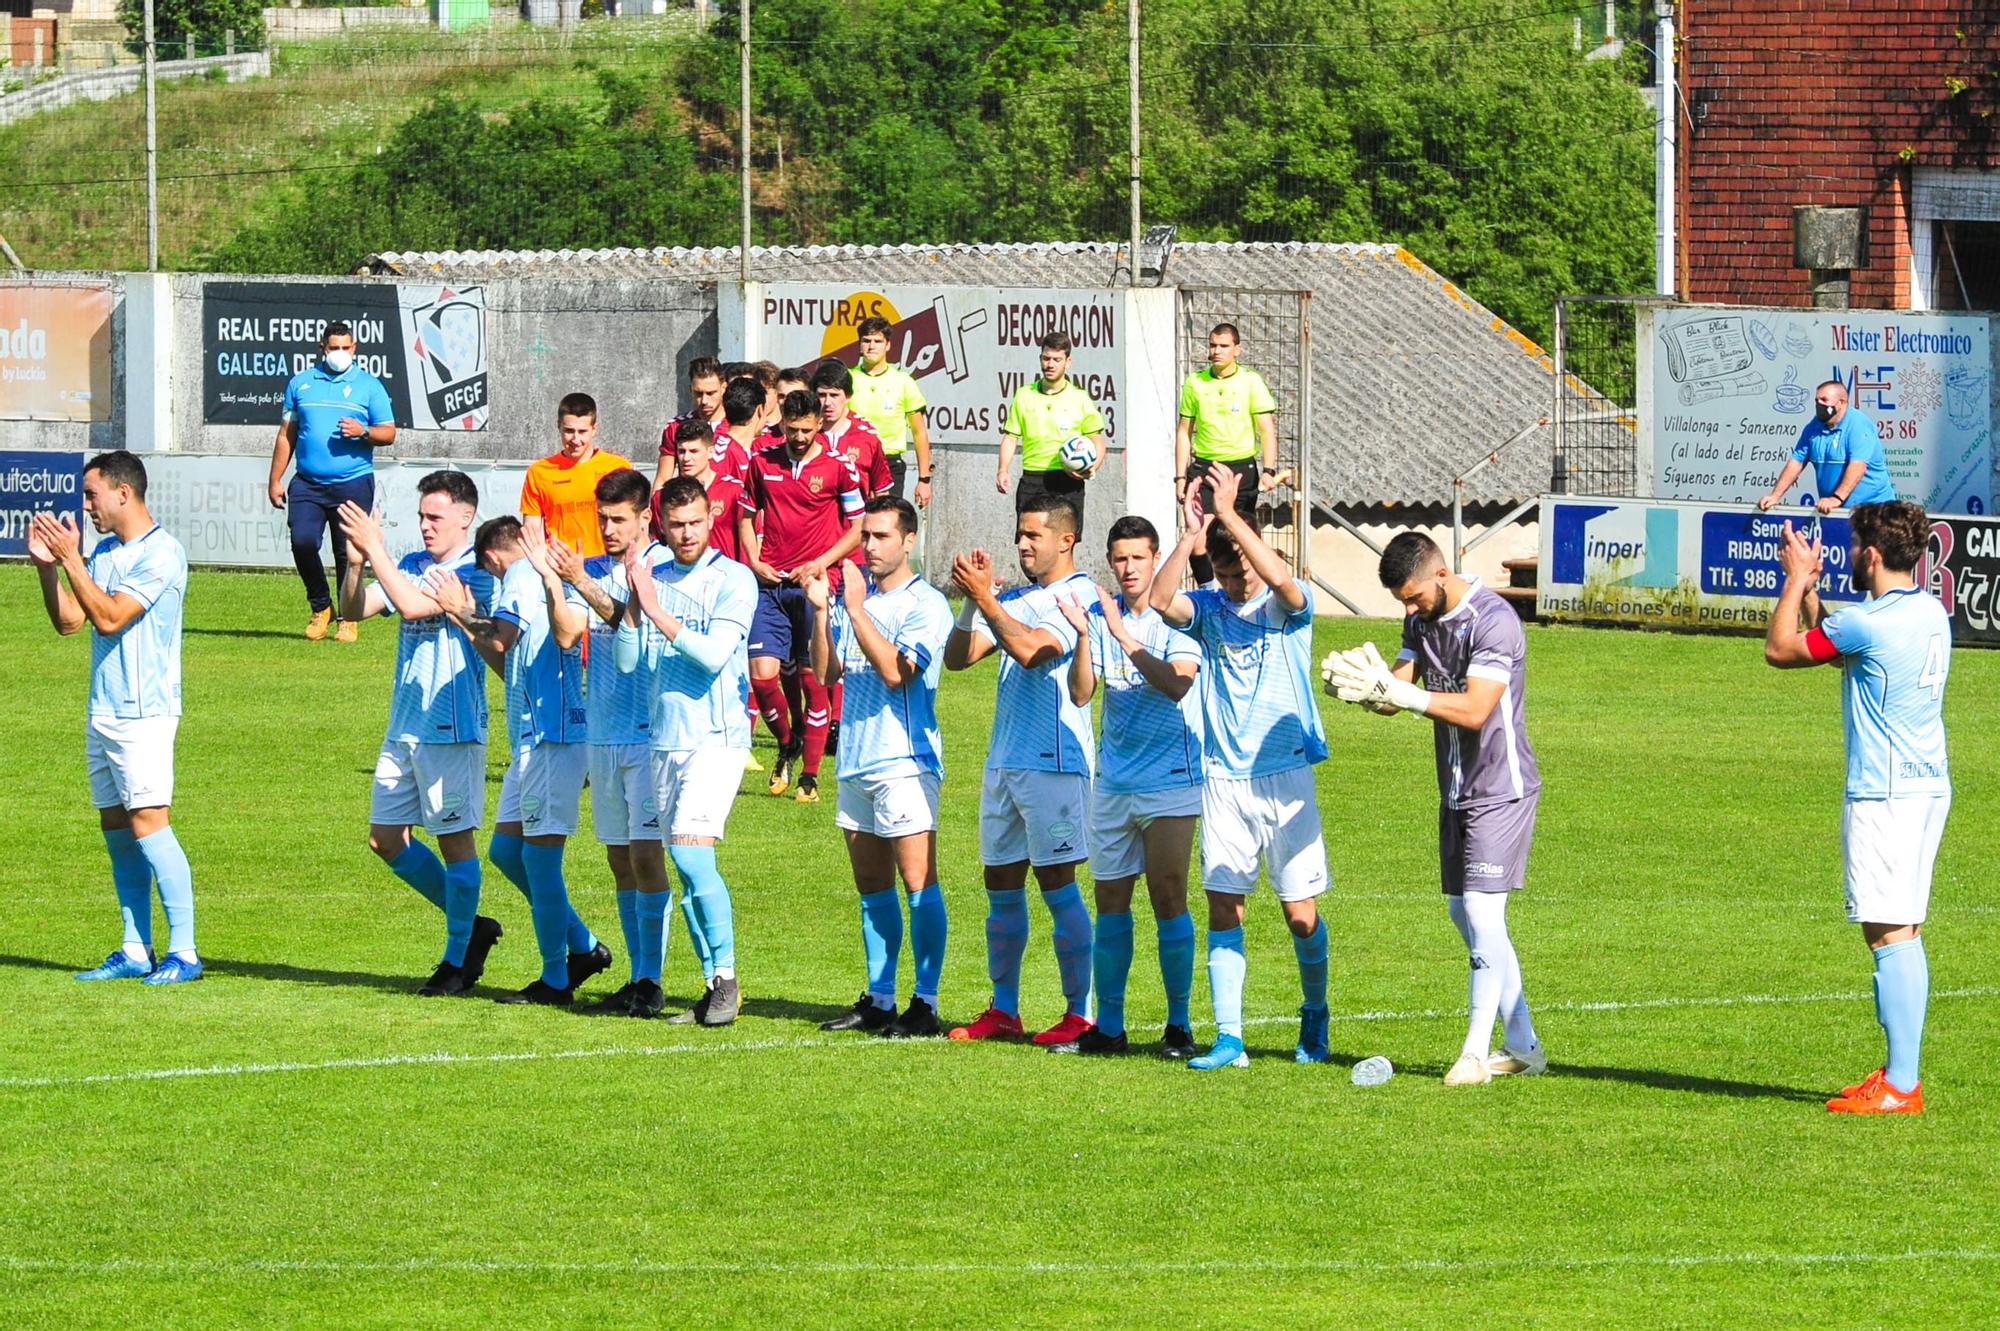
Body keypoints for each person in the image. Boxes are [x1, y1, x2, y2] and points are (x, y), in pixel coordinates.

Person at [1321, 532, 1546, 1085]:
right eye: (1401, 601)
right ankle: (1525, 1046)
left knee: (1481, 914)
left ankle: (1474, 1054)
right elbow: (1396, 694)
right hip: (1454, 787)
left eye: (1414, 596)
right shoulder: (1419, 620)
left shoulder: (1494, 620)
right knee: (1464, 915)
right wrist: (1366, 690)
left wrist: (1403, 696)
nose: (1409, 608)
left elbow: (1473, 710)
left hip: (1501, 786)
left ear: (1440, 575)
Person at [1763, 501, 1951, 1114]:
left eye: (1849, 546)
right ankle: (1899, 1073)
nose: (1844, 554)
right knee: (1906, 928)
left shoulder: (1867, 623)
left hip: (1885, 793)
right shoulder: (1929, 611)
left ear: (1870, 554)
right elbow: (1845, 648)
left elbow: (1781, 650)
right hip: (1927, 788)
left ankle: (1902, 1085)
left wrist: (1795, 580)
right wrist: (1817, 595)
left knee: (1890, 934)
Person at [1149, 464, 1331, 1071]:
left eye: (1241, 572)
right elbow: (1157, 599)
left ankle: (1315, 1013)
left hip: (1285, 772)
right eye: (1224, 574)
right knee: (1224, 906)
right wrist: (1190, 534)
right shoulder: (1210, 607)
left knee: (1300, 917)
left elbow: (1285, 582)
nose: (1232, 583)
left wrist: (1230, 515)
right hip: (1225, 776)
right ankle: (1230, 1038)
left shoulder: (1287, 609)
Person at [31, 451, 202, 986]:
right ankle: (135, 947)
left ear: (123, 493)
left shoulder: (163, 554)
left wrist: (72, 560)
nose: (86, 506)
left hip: (144, 713)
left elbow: (108, 619)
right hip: (102, 709)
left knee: (151, 825)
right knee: (116, 827)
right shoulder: (105, 551)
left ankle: (186, 952)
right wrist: (47, 568)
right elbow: (69, 621)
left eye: (91, 495)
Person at [336, 475, 506, 996]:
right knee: (384, 839)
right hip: (404, 727)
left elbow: (412, 607)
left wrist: (377, 548)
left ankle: (457, 960)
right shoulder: (410, 565)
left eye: (435, 517)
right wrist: (359, 563)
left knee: (455, 843)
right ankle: (472, 925)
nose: (425, 525)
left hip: (450, 729)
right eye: (421, 517)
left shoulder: (474, 576)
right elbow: (352, 610)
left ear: (464, 518)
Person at [431, 517, 608, 1007]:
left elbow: (502, 638)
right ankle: (584, 947)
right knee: (507, 854)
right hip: (536, 740)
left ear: (491, 559)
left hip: (552, 738)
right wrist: (469, 627)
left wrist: (464, 611)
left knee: (539, 859)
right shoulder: (532, 580)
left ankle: (556, 979)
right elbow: (509, 661)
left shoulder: (521, 578)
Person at [943, 492, 1099, 1046]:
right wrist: (971, 602)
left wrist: (988, 600)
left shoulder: (1081, 598)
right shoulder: (1021, 598)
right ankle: (1004, 1009)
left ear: (1066, 538)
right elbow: (957, 658)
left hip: (1053, 764)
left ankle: (1080, 1012)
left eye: (1033, 535)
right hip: (1005, 762)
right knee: (1000, 886)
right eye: (1019, 534)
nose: (1022, 544)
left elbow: (1036, 652)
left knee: (1058, 885)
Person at [1050, 515, 1204, 1058]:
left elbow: (1176, 688)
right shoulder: (1097, 615)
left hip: (1170, 783)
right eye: (1119, 559)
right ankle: (1109, 1028)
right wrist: (1088, 637)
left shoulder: (1178, 622)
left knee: (1167, 895)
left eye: (1139, 557)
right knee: (1110, 900)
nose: (1129, 568)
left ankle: (1178, 1025)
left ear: (1156, 557)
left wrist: (1122, 636)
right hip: (1114, 783)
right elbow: (1080, 694)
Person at [805, 495, 955, 1039]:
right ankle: (880, 997)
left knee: (917, 882)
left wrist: (856, 609)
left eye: (882, 536)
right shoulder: (853, 602)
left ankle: (927, 1001)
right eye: (865, 535)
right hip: (857, 760)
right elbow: (825, 673)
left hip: (905, 761)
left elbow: (896, 673)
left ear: (909, 541)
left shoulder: (927, 605)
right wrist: (825, 613)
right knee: (871, 886)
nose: (869, 546)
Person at [624, 475, 761, 1027]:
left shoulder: (735, 580)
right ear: (662, 525)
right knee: (684, 866)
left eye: (695, 523)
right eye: (676, 525)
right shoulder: (652, 579)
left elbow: (710, 654)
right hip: (665, 738)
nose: (686, 533)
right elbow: (630, 664)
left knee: (689, 852)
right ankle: (711, 987)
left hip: (716, 739)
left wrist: (654, 608)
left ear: (712, 518)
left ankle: (727, 977)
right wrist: (634, 609)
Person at [549, 469, 677, 1019]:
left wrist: (579, 580)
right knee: (619, 859)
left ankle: (651, 978)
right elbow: (563, 633)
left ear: (645, 518)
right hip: (601, 735)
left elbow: (631, 626)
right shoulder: (594, 568)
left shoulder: (659, 572)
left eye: (618, 518)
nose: (607, 527)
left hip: (647, 737)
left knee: (648, 857)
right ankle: (634, 973)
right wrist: (553, 581)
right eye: (601, 517)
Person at [738, 389, 865, 803]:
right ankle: (788, 741)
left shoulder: (838, 468)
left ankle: (809, 775)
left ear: (818, 425)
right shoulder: (762, 463)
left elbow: (857, 527)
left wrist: (820, 563)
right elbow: (745, 515)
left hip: (815, 587)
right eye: (792, 430)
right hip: (770, 586)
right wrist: (755, 561)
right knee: (763, 675)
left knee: (814, 682)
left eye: (806, 430)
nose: (798, 437)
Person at [267, 321, 396, 643]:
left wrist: (363, 432)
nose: (340, 353)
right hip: (308, 483)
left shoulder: (369, 386)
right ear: (322, 348)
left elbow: (389, 433)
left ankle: (347, 616)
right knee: (303, 542)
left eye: (345, 348)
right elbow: (287, 435)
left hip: (352, 482)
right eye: (333, 347)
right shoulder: (301, 384)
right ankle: (320, 605)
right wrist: (275, 479)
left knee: (347, 552)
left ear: (354, 349)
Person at [1176, 323, 1288, 584]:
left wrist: (1269, 470)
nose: (1217, 351)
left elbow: (1267, 431)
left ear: (1237, 350)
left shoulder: (1250, 382)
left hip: (1241, 471)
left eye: (1224, 346)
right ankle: (1208, 592)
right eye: (1213, 345)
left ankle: (1251, 592)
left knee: (1239, 539)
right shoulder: (1195, 382)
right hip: (1205, 468)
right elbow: (1184, 433)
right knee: (1198, 539)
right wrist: (1180, 478)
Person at [996, 330, 1105, 521]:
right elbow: (1010, 437)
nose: (1050, 364)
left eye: (1056, 359)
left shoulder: (1080, 398)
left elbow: (1097, 441)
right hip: (1032, 479)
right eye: (1046, 358)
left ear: (1068, 362)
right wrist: (1003, 469)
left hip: (1068, 480)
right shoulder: (1023, 395)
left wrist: (1091, 467)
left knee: (1065, 547)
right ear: (1040, 359)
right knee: (1029, 543)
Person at [518, 392, 633, 560]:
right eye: (569, 431)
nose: (575, 439)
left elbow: (635, 520)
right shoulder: (539, 472)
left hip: (611, 565)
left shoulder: (619, 467)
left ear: (594, 429)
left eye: (582, 431)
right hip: (561, 566)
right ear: (559, 426)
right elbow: (532, 530)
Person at [1757, 380, 1896, 514]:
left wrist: (1836, 498)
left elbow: (1858, 466)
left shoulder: (1858, 425)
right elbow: (1796, 462)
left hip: (1875, 510)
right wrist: (1775, 496)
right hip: (1837, 512)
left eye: (1824, 400)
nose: (1819, 404)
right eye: (1817, 401)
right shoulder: (1814, 427)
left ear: (1842, 402)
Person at [847, 315, 933, 510]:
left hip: (889, 463)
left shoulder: (903, 382)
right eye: (866, 341)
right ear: (859, 345)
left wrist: (924, 479)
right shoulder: (848, 379)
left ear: (887, 346)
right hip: (854, 462)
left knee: (886, 523)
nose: (871, 346)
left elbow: (919, 433)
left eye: (877, 341)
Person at [654, 356, 731, 493]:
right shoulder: (676, 426)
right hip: (686, 505)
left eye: (711, 393)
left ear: (723, 388)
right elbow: (663, 478)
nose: (704, 400)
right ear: (690, 389)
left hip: (726, 506)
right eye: (698, 393)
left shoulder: (738, 426)